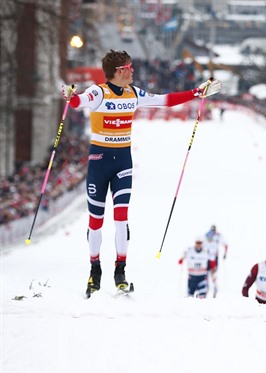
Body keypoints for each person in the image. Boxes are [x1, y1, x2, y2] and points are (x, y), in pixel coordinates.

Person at [61, 49, 222, 297]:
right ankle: (95, 271)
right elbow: (78, 101)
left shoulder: (133, 93)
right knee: (96, 221)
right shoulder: (98, 92)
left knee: (122, 218)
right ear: (118, 71)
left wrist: (196, 92)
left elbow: (164, 100)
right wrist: (70, 96)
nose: (133, 70)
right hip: (98, 161)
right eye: (129, 67)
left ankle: (120, 272)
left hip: (123, 162)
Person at [204, 224, 228, 297]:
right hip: (206, 257)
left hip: (214, 257)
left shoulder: (218, 236)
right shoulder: (206, 235)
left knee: (213, 273)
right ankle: (207, 287)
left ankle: (214, 287)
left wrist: (225, 254)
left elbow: (226, 245)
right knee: (206, 273)